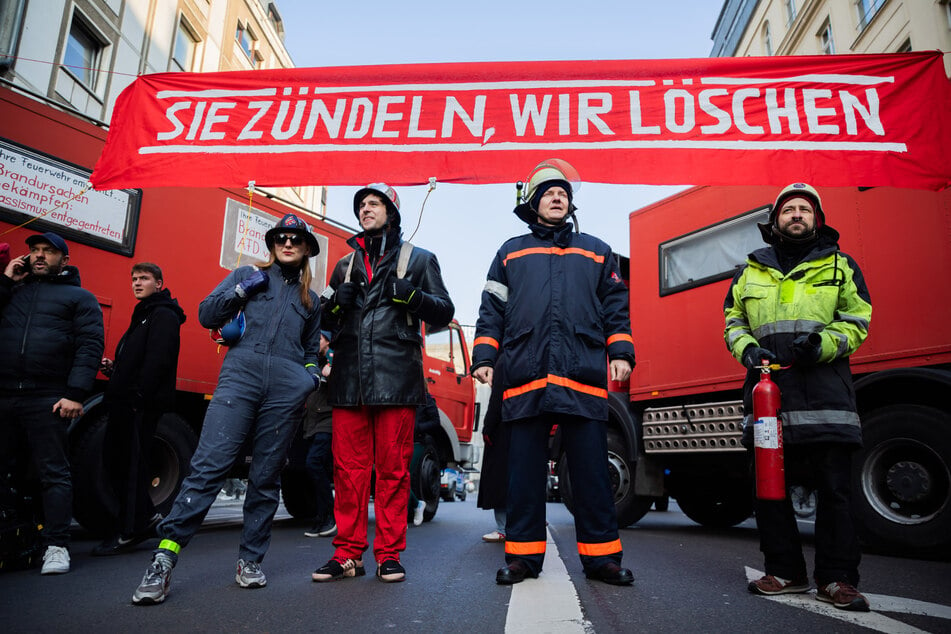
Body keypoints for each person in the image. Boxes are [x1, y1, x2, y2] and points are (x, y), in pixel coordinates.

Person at [132, 214, 322, 605]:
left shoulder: (311, 300)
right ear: (273, 244)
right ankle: (164, 558)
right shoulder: (247, 274)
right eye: (281, 238)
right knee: (209, 466)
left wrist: (309, 375)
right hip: (241, 375)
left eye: (296, 239)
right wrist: (239, 290)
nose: (287, 243)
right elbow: (206, 315)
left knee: (267, 474)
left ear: (305, 249)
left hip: (286, 389)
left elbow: (309, 349)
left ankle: (250, 560)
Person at [471, 159, 636, 586]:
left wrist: (621, 351)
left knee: (592, 476)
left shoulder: (597, 251)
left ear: (571, 203)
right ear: (533, 204)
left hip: (582, 373)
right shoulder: (510, 252)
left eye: (563, 192)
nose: (557, 197)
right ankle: (523, 558)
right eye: (548, 192)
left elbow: (617, 307)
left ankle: (602, 559)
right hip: (525, 373)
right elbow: (491, 311)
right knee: (523, 475)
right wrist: (485, 357)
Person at [725, 183, 873, 612]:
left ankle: (838, 579)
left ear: (817, 219)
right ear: (775, 221)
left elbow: (857, 320)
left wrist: (822, 344)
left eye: (804, 209)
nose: (796, 215)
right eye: (788, 209)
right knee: (770, 491)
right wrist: (748, 350)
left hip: (826, 394)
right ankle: (785, 571)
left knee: (835, 492)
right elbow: (733, 321)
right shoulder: (749, 271)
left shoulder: (841, 266)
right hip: (769, 400)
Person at [312, 183, 454, 584]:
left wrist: (412, 297)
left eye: (373, 203)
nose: (365, 209)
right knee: (348, 471)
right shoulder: (344, 265)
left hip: (396, 380)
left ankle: (389, 555)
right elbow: (323, 322)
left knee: (392, 472)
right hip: (348, 383)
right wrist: (336, 303)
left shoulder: (420, 259)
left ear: (392, 211)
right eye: (360, 205)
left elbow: (444, 311)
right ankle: (347, 555)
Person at [0, 231, 104, 575]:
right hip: (5, 394)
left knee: (53, 473)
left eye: (48, 251)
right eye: (34, 250)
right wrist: (5, 282)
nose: (39, 256)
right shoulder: (13, 291)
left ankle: (56, 546)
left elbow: (90, 346)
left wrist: (75, 394)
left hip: (47, 396)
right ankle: (13, 540)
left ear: (65, 259)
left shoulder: (80, 298)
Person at [93, 263, 186, 556]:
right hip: (127, 400)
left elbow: (158, 361)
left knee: (131, 465)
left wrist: (138, 395)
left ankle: (131, 530)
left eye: (144, 278)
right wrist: (116, 370)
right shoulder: (145, 313)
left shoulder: (163, 315)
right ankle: (144, 517)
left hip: (139, 405)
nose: (136, 283)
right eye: (134, 279)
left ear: (159, 283)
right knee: (117, 462)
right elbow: (138, 359)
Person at [303, 330, 336, 538]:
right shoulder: (312, 360)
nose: (316, 341)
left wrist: (330, 373)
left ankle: (329, 517)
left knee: (313, 463)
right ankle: (321, 517)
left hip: (328, 420)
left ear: (328, 341)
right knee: (317, 469)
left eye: (320, 338)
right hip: (312, 421)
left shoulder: (333, 357)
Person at [477, 366, 508, 543]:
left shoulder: (502, 362)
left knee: (499, 478)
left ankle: (503, 528)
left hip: (502, 428)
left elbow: (497, 399)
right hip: (523, 420)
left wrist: (488, 427)